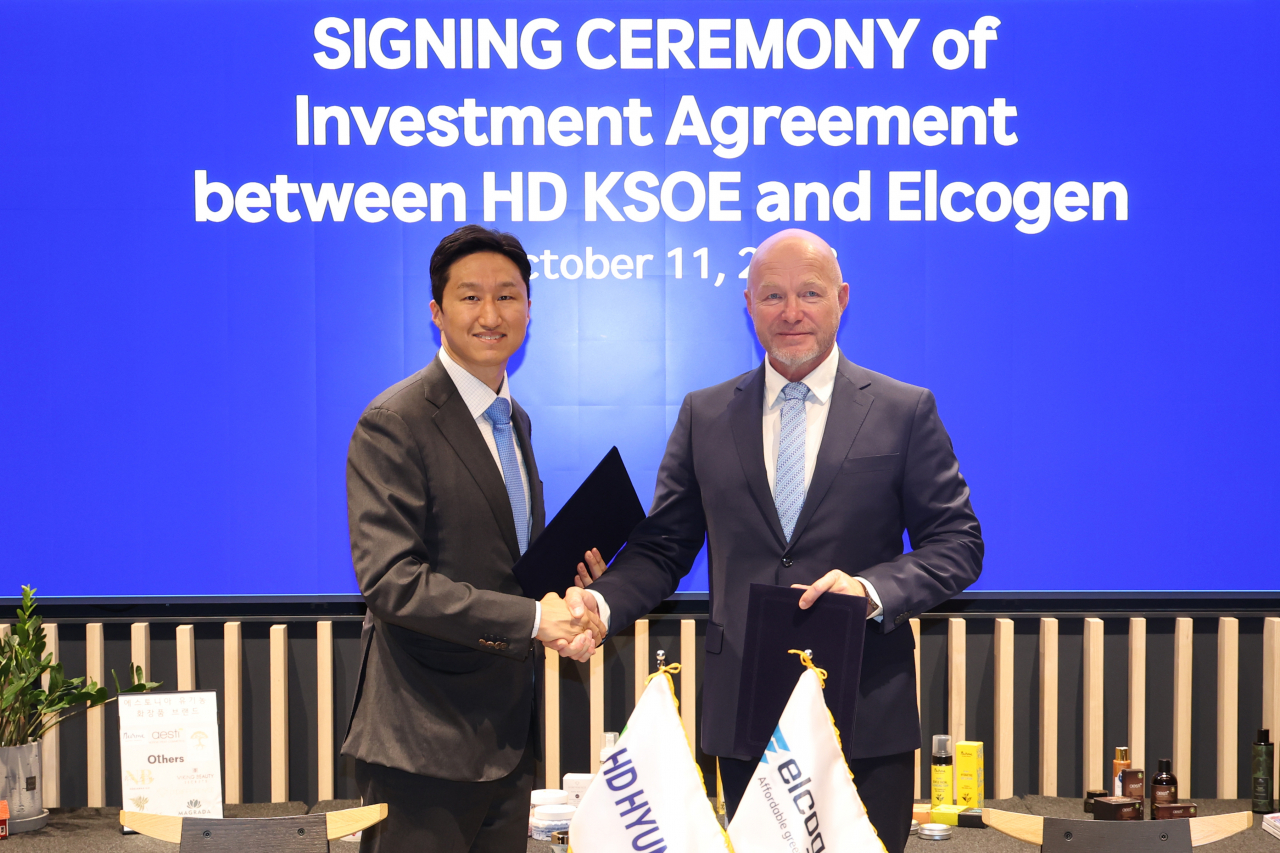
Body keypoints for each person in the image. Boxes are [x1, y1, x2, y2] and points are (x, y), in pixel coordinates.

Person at [568, 228, 983, 853]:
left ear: (842, 298)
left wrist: (869, 590)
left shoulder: (904, 409)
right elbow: (662, 548)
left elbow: (957, 543)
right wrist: (599, 606)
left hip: (865, 719)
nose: (791, 312)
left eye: (810, 293)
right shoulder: (705, 414)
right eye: (772, 295)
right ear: (748, 304)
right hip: (744, 718)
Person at [342, 224, 605, 853]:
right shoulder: (394, 421)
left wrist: (568, 597)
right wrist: (531, 621)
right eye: (470, 297)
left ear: (530, 310)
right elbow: (391, 583)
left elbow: (504, 568)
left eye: (508, 296)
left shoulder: (514, 420)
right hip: (423, 748)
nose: (491, 314)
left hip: (507, 741)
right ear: (437, 312)